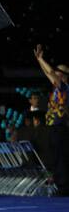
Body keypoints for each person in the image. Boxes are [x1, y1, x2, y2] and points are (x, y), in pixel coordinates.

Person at [34, 44, 68, 194]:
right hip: (53, 126)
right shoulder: (56, 86)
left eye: (60, 72)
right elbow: (48, 73)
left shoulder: (64, 87)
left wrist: (42, 59)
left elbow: (51, 73)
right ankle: (60, 183)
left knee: (60, 157)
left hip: (61, 127)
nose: (56, 73)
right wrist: (39, 60)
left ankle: (63, 186)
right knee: (55, 156)